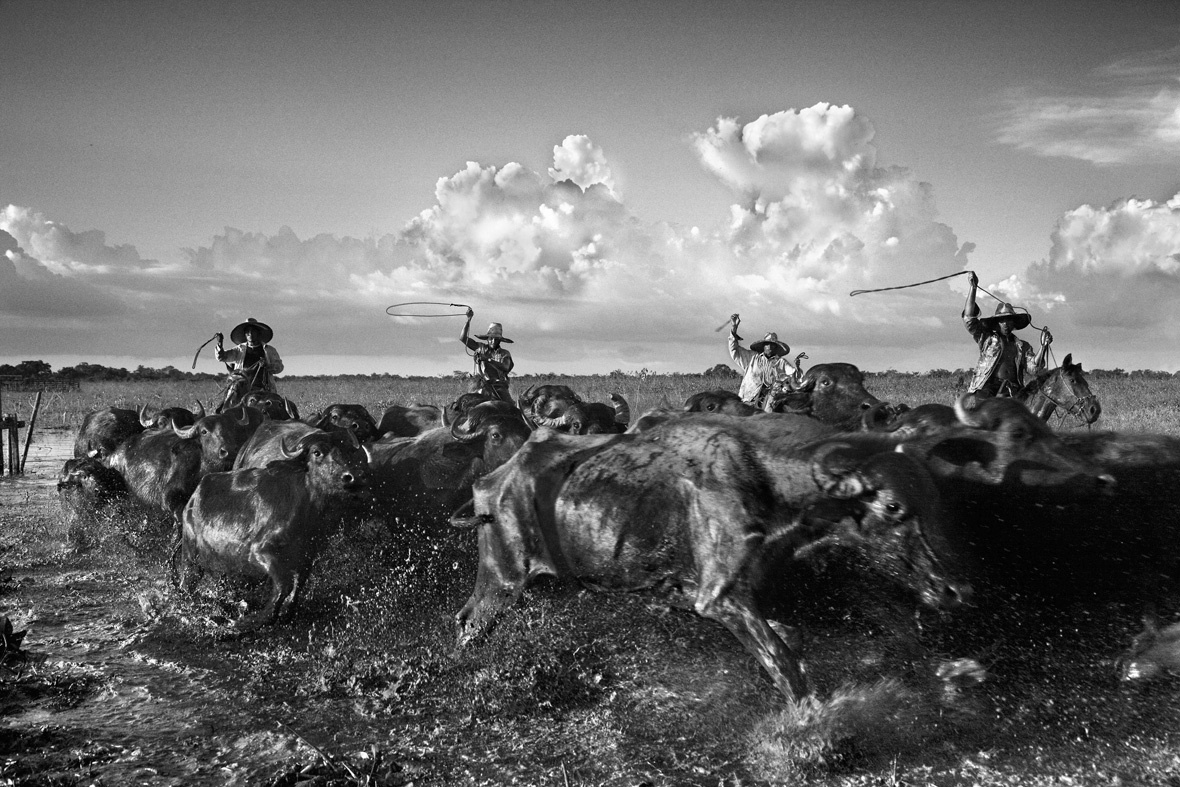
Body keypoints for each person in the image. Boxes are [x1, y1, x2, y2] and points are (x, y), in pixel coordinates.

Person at [963, 271, 1052, 397]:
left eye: (1009, 320)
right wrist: (973, 288)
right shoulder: (986, 338)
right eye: (1002, 321)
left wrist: (1043, 346)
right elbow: (969, 319)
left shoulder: (1022, 346)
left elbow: (1034, 369)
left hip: (1014, 390)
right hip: (988, 390)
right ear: (997, 323)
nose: (1005, 324)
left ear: (1014, 323)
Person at [727, 314, 807, 407]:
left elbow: (794, 376)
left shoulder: (781, 362)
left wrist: (797, 367)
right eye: (768, 344)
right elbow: (734, 350)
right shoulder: (752, 358)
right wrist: (734, 327)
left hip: (771, 402)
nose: (770, 347)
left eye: (773, 345)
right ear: (764, 346)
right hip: (748, 400)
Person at [214, 317, 284, 410]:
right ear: (245, 335)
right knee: (226, 407)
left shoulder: (269, 350)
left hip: (263, 388)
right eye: (248, 332)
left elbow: (279, 367)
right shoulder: (239, 349)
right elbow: (222, 357)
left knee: (274, 409)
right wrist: (220, 344)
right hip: (241, 388)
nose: (250, 334)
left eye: (253, 331)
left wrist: (268, 366)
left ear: (258, 333)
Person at [461, 308, 514, 402]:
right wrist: (468, 319)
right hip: (480, 383)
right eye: (491, 338)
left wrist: (488, 359)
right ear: (487, 339)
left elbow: (505, 367)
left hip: (498, 385)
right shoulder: (480, 347)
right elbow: (463, 338)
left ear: (500, 340)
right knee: (466, 403)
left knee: (510, 405)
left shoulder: (505, 353)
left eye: (496, 339)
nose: (493, 341)